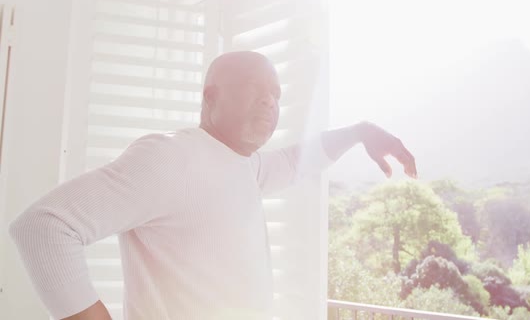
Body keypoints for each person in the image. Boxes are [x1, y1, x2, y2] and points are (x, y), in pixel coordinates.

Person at [9, 51, 417, 320]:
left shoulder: (246, 167)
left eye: (275, 94)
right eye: (254, 89)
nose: (269, 102)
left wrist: (360, 131)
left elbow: (296, 162)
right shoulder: (170, 157)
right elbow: (44, 226)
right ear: (211, 98)